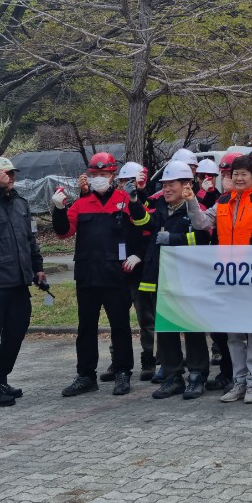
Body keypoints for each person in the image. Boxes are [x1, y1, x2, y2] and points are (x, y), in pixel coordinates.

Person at [52, 151, 144, 398]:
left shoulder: (125, 200)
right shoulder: (81, 205)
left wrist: (137, 254)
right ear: (89, 176)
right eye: (95, 174)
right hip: (87, 275)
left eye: (104, 173)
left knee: (120, 326)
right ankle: (86, 375)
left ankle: (122, 371)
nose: (99, 178)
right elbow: (63, 232)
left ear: (113, 175)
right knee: (86, 327)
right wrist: (59, 209)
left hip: (116, 274)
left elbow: (143, 228)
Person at [193, 153, 252, 404]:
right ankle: (239, 382)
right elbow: (201, 222)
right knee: (233, 334)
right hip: (226, 276)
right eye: (234, 174)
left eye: (243, 174)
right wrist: (191, 201)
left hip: (251, 277)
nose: (238, 178)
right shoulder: (223, 201)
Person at [0, 156, 46, 408]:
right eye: (4, 174)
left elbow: (30, 240)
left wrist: (38, 268)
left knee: (16, 332)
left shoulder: (21, 204)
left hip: (18, 282)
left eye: (12, 173)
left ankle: (1, 378)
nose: (10, 177)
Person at [145, 161, 211, 401]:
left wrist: (174, 239)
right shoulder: (159, 208)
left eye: (171, 184)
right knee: (166, 329)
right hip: (163, 276)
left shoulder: (197, 209)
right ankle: (173, 375)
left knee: (192, 328)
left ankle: (197, 374)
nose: (166, 189)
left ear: (186, 185)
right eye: (164, 185)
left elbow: (203, 239)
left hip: (189, 278)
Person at [111, 160, 158, 383]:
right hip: (117, 271)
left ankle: (149, 359)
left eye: (129, 181)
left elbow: (150, 232)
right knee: (117, 320)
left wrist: (138, 255)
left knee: (146, 318)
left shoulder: (147, 202)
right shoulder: (113, 203)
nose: (125, 185)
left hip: (139, 271)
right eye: (122, 181)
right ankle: (117, 360)